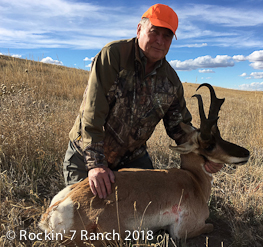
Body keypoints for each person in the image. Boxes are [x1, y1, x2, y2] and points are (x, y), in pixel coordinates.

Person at [63, 4, 223, 199]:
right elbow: (92, 114)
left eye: (167, 36)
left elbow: (180, 129)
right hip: (86, 153)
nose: (160, 41)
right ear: (139, 29)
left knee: (150, 207)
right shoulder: (114, 56)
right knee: (83, 213)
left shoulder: (171, 82)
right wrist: (96, 165)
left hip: (131, 158)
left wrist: (206, 153)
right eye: (154, 32)